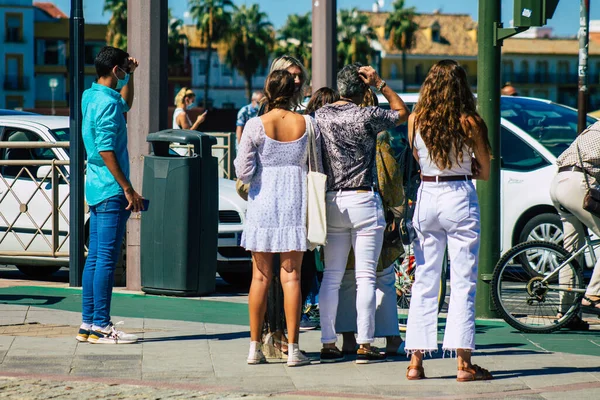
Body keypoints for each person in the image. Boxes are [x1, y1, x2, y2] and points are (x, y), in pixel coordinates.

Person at [404, 60, 492, 381]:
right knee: (463, 281)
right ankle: (463, 364)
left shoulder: (416, 120)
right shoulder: (471, 122)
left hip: (427, 194)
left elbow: (417, 158)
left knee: (425, 279)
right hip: (459, 195)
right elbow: (484, 170)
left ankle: (416, 362)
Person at [315, 64, 409, 364]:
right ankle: (366, 344)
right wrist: (380, 82)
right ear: (362, 88)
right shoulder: (367, 115)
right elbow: (401, 112)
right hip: (363, 199)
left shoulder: (321, 116)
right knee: (367, 276)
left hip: (331, 200)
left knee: (331, 277)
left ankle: (328, 343)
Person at [235, 69, 320, 367]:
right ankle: (294, 349)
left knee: (259, 277)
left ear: (268, 91)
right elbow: (315, 163)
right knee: (292, 276)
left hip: (264, 202)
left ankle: (254, 347)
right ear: (295, 92)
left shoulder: (255, 125)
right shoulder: (308, 123)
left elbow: (243, 172)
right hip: (295, 201)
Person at [76, 46, 143, 345]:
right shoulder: (108, 104)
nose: (126, 71)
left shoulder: (90, 96)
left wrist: (132, 77)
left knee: (95, 259)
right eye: (124, 69)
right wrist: (127, 187)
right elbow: (105, 148)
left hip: (95, 186)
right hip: (111, 189)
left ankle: (88, 324)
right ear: (116, 70)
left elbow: (125, 104)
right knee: (106, 259)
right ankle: (102, 325)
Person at [336, 89, 404, 355]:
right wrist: (395, 211)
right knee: (382, 276)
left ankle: (348, 339)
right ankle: (390, 338)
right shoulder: (380, 136)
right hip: (370, 209)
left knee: (344, 278)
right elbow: (389, 175)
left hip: (340, 207)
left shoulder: (338, 128)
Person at [259, 55, 310, 355]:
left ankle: (278, 340)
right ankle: (276, 338)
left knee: (284, 277)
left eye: (300, 75)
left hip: (280, 203)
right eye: (292, 75)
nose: (297, 80)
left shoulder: (301, 114)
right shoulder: (268, 115)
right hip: (283, 201)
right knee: (276, 278)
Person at [550, 121, 600, 328]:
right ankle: (594, 294)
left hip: (558, 182)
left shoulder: (594, 128)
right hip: (578, 183)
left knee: (571, 251)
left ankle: (567, 313)